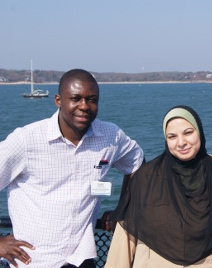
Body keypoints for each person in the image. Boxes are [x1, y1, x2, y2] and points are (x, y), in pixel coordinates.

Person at [0, 69, 144, 268]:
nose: (84, 106)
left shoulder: (111, 136)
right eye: (75, 98)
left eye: (92, 99)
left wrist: (123, 209)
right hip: (33, 261)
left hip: (81, 260)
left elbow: (137, 163)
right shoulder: (26, 140)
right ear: (58, 100)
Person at [105, 105, 212, 268]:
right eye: (172, 136)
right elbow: (125, 239)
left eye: (188, 132)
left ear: (199, 131)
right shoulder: (146, 178)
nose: (181, 142)